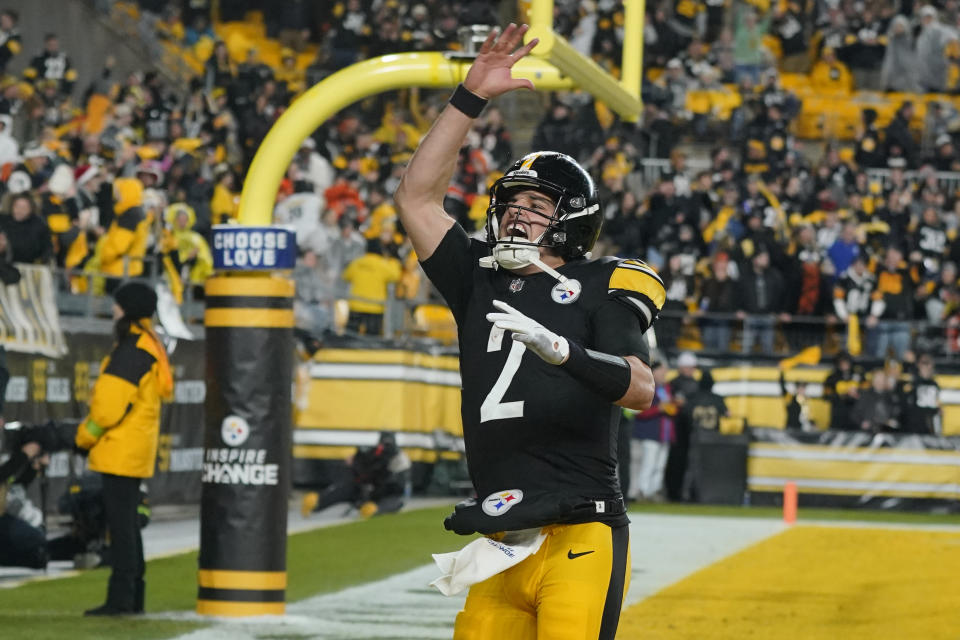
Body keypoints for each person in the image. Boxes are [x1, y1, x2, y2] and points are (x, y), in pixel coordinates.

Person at [394, 25, 661, 638]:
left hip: (578, 528)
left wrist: (565, 352)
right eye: (513, 202)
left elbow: (642, 390)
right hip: (499, 538)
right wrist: (470, 95)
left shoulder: (604, 282)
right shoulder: (478, 279)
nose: (519, 213)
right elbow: (416, 199)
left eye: (538, 206)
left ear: (572, 222)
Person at [75, 281, 173, 616]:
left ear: (126, 309)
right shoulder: (149, 344)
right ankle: (133, 596)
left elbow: (107, 408)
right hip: (135, 447)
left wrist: (83, 439)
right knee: (128, 525)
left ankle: (120, 600)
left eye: (117, 305)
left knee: (121, 527)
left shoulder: (132, 348)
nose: (113, 309)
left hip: (121, 448)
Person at [300, 431, 411, 519]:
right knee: (347, 488)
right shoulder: (373, 454)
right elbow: (356, 473)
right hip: (369, 490)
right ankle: (318, 501)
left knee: (395, 501)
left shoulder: (399, 460)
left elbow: (398, 488)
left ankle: (376, 509)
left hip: (384, 492)